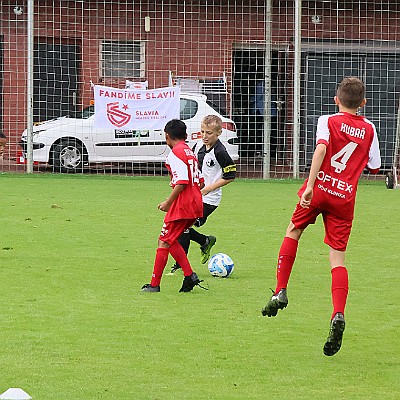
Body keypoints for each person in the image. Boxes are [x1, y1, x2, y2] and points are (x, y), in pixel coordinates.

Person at [261, 77, 381, 356]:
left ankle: (280, 290)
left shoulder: (328, 120)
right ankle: (337, 313)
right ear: (363, 103)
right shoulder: (370, 128)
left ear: (336, 99)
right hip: (344, 198)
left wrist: (311, 185)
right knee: (337, 258)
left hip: (319, 188)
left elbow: (322, 148)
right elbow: (374, 166)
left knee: (293, 231)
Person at [141, 119, 206, 293]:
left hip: (182, 205)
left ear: (167, 136)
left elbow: (182, 181)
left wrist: (168, 202)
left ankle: (154, 285)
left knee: (163, 241)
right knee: (171, 239)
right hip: (195, 203)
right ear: (185, 135)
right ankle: (190, 276)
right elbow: (200, 182)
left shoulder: (175, 153)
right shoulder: (189, 152)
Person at [170, 115, 236, 273]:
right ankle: (204, 241)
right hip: (194, 195)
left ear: (219, 133)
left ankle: (181, 265)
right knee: (181, 226)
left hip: (209, 199)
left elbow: (230, 176)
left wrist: (208, 189)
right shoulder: (198, 146)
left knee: (182, 226)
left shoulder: (220, 152)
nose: (205, 136)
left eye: (209, 133)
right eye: (202, 132)